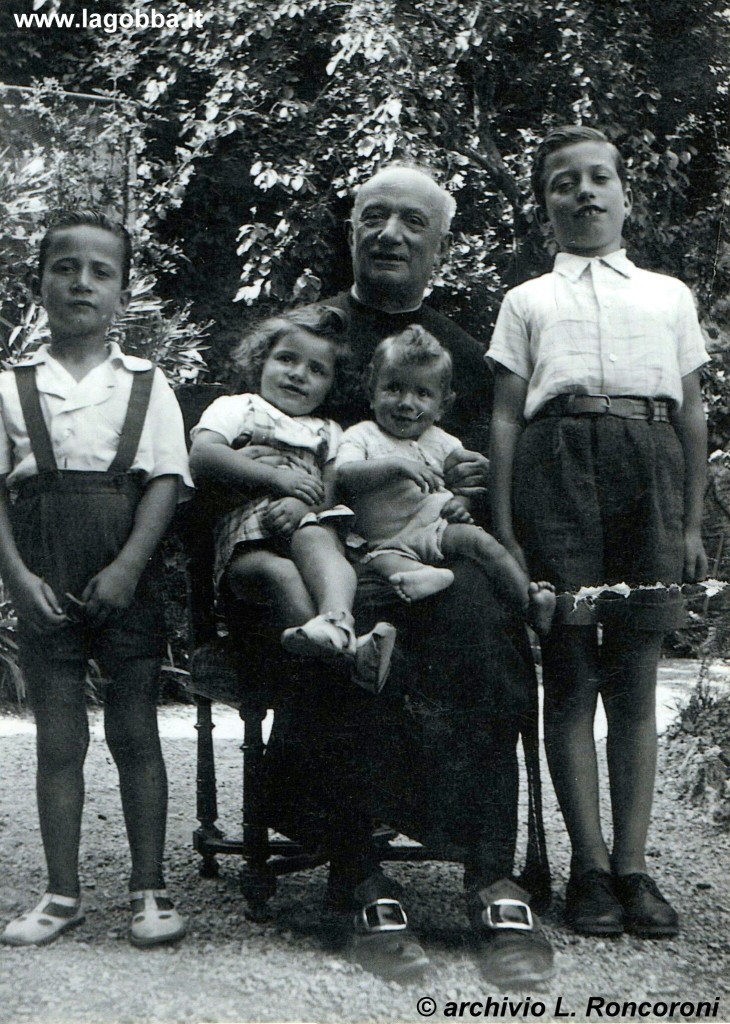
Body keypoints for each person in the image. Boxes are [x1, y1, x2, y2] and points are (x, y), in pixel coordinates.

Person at [260, 163, 554, 987]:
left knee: (488, 623)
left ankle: (490, 875)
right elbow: (248, 441)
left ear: (440, 245)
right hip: (329, 558)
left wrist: (468, 516)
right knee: (345, 631)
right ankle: (358, 874)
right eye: (374, 218)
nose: (390, 234)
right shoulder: (305, 335)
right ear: (351, 230)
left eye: (412, 223)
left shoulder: (463, 353)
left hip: (434, 563)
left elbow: (487, 476)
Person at [488, 125, 709, 939]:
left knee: (637, 678)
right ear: (544, 203)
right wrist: (507, 527)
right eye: (563, 183)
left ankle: (634, 866)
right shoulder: (527, 301)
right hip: (558, 469)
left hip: (648, 470)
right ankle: (586, 865)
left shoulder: (668, 295)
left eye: (599, 179)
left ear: (624, 193)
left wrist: (688, 521)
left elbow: (691, 413)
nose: (584, 193)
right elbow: (507, 418)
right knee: (573, 672)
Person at [0, 210, 193, 948]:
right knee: (58, 736)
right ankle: (60, 892)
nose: (81, 281)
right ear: (39, 281)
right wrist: (17, 577)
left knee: (136, 728)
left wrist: (128, 568)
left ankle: (149, 888)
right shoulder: (13, 385)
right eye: (65, 267)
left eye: (100, 271)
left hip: (126, 574)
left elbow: (168, 482)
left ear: (123, 293)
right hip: (43, 571)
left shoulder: (146, 384)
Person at [188, 307, 395, 691]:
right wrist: (276, 477)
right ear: (260, 361)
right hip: (248, 550)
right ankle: (349, 656)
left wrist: (305, 506)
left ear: (332, 385)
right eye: (286, 359)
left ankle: (336, 623)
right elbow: (203, 455)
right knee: (277, 571)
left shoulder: (329, 431)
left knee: (318, 537)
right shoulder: (239, 407)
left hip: (305, 529)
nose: (298, 374)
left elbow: (332, 493)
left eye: (317, 370)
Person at [336, 324, 556, 635]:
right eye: (394, 388)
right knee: (382, 567)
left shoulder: (440, 441)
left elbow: (470, 477)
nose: (406, 403)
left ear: (442, 406)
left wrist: (459, 501)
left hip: (434, 528)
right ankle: (425, 576)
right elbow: (345, 475)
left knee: (481, 542)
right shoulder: (362, 436)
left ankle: (528, 601)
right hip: (385, 541)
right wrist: (397, 465)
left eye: (423, 393)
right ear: (371, 390)